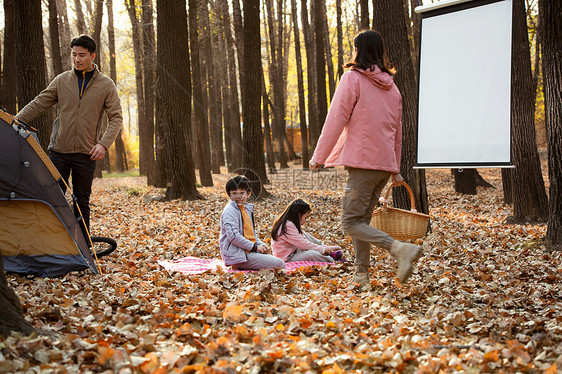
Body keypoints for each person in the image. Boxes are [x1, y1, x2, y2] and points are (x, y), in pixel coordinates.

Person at [309, 30, 423, 285]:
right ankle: (361, 275)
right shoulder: (393, 89)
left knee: (349, 222)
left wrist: (319, 156)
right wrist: (394, 168)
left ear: (358, 49)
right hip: (382, 166)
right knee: (360, 221)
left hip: (363, 165)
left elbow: (336, 118)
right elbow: (397, 132)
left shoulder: (352, 79)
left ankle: (399, 249)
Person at [15, 35, 122, 240]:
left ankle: (83, 246)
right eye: (74, 55)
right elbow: (40, 103)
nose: (77, 59)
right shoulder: (62, 80)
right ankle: (46, 241)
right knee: (50, 197)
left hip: (87, 153)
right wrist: (15, 120)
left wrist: (103, 144)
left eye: (82, 55)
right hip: (59, 153)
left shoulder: (106, 85)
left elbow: (116, 117)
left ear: (92, 56)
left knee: (82, 202)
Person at [219, 175, 286, 271]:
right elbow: (234, 237)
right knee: (279, 264)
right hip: (237, 255)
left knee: (276, 262)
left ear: (248, 194)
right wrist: (255, 247)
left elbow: (251, 234)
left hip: (248, 251)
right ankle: (239, 265)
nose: (238, 196)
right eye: (234, 193)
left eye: (242, 193)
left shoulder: (246, 209)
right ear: (229, 195)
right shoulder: (230, 211)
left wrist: (261, 245)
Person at [271, 199, 344, 263]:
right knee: (312, 254)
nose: (305, 221)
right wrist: (322, 250)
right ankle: (331, 259)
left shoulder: (291, 223)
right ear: (299, 214)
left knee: (305, 235)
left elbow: (302, 239)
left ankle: (323, 246)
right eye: (305, 217)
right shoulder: (287, 226)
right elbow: (303, 244)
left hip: (295, 250)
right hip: (288, 258)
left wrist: (322, 248)